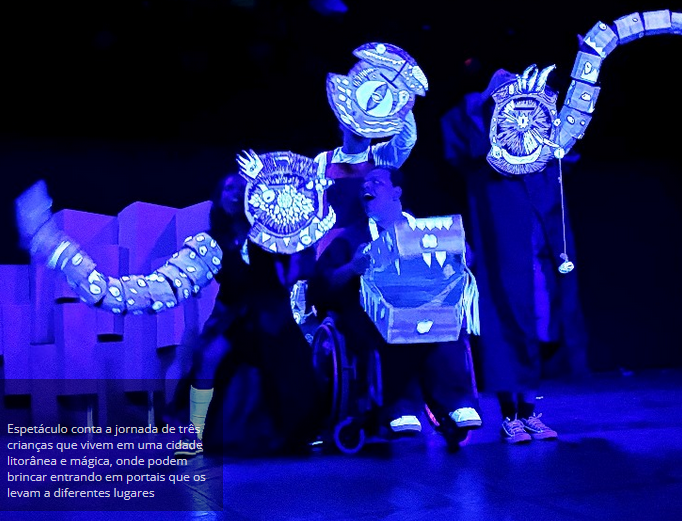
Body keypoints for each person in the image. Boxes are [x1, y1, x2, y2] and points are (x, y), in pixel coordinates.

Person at [14, 151, 333, 458]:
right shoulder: (210, 244)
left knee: (291, 377)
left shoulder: (274, 238)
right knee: (210, 360)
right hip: (235, 322)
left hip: (276, 325)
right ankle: (195, 433)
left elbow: (299, 269)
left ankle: (297, 428)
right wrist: (57, 249)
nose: (236, 192)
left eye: (243, 186)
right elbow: (153, 290)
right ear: (218, 198)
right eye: (228, 187)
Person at [440, 67, 589, 444]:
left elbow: (569, 137)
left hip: (541, 259)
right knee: (506, 325)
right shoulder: (485, 151)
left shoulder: (541, 154)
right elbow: (460, 133)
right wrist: (486, 97)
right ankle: (511, 416)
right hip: (505, 260)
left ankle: (530, 410)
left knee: (539, 327)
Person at [307, 165, 482, 448]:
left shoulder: (431, 232)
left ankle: (457, 402)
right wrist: (353, 267)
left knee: (445, 318)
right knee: (394, 322)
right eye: (365, 183)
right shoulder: (351, 238)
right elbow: (322, 285)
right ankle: (400, 404)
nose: (367, 187)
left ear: (397, 192)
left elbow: (465, 261)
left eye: (376, 182)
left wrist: (463, 255)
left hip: (429, 307)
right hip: (370, 314)